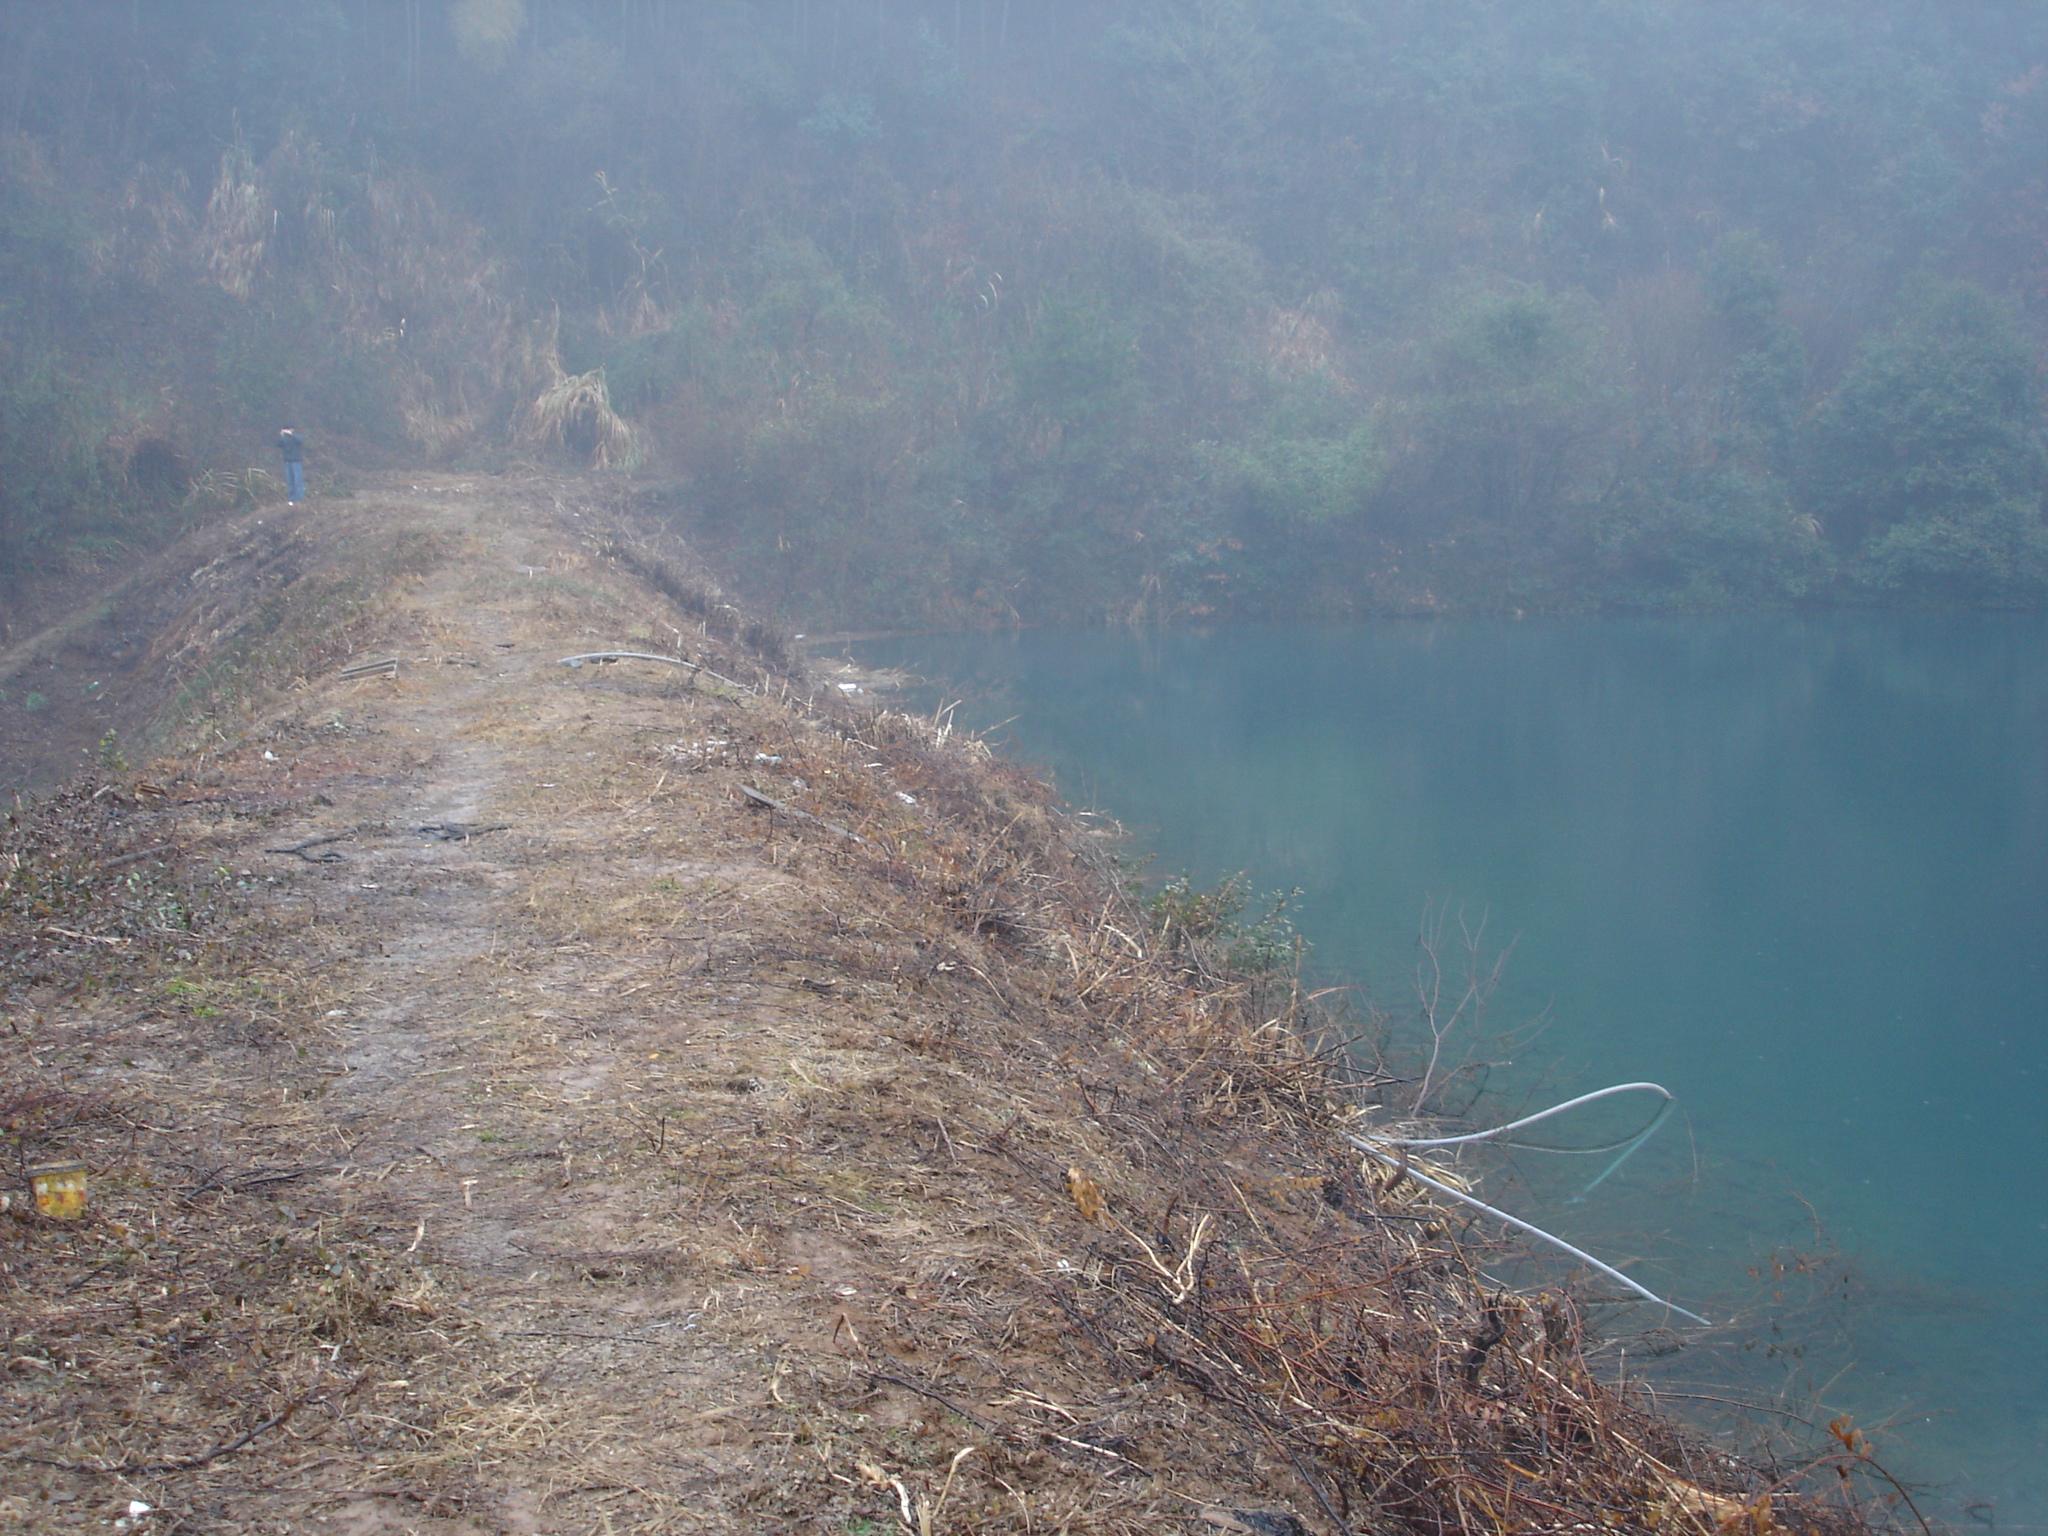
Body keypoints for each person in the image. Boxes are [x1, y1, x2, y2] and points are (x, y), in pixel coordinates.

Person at [278, 427, 305, 504]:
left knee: (298, 481)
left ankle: (299, 498)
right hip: (287, 462)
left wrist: (291, 434)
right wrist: (282, 435)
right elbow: (278, 444)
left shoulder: (296, 437)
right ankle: (292, 498)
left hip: (296, 461)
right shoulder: (284, 439)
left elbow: (300, 440)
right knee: (290, 481)